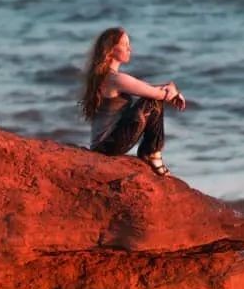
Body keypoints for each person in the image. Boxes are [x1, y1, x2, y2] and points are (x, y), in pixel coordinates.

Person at [79, 27, 186, 177]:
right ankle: (152, 153)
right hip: (108, 146)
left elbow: (147, 87)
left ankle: (151, 152)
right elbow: (155, 94)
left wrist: (170, 88)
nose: (130, 49)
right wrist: (171, 91)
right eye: (125, 44)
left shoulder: (108, 77)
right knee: (152, 102)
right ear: (111, 49)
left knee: (152, 99)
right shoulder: (115, 79)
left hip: (104, 145)